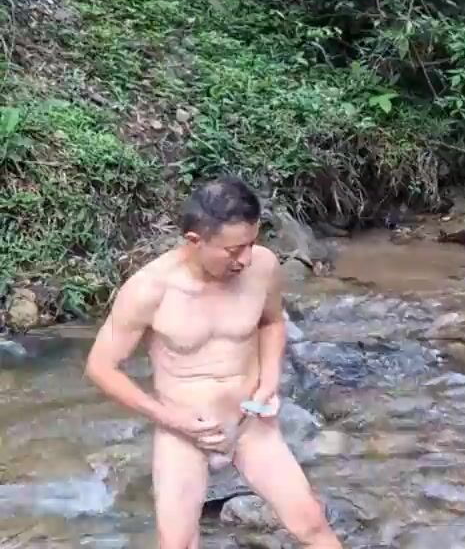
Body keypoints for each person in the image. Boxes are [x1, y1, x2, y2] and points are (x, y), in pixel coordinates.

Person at [84, 176, 342, 549]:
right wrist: (171, 419)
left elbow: (271, 322)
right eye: (234, 250)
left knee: (311, 522)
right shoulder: (149, 289)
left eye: (251, 243)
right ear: (195, 241)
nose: (245, 259)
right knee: (176, 543)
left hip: (250, 423)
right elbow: (100, 367)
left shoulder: (263, 266)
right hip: (184, 434)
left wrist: (269, 381)